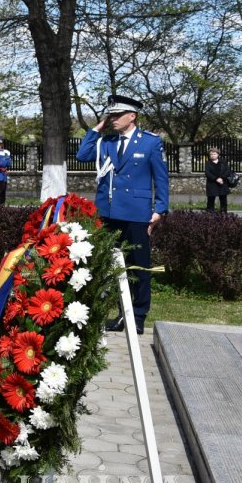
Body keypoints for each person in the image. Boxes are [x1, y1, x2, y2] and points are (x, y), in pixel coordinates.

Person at [76, 93, 169, 335]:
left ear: (132, 116)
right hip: (108, 212)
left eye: (117, 115)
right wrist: (97, 128)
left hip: (137, 214)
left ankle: (137, 317)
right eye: (110, 115)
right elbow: (82, 155)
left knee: (137, 267)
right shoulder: (106, 142)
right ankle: (118, 314)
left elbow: (161, 178)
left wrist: (160, 209)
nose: (113, 118)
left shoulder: (150, 142)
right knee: (108, 266)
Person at [206, 147, 232, 212]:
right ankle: (210, 211)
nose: (213, 155)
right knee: (211, 198)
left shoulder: (223, 162)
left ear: (218, 154)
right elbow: (207, 173)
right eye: (211, 154)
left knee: (223, 198)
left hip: (222, 182)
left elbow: (228, 171)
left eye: (214, 154)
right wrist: (216, 179)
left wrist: (222, 178)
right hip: (212, 183)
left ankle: (223, 211)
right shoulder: (208, 163)